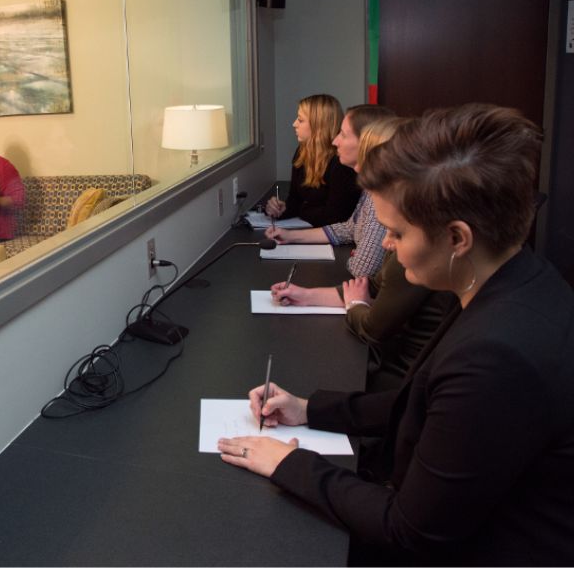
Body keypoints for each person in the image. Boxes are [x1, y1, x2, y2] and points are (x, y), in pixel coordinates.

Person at [218, 104, 574, 565]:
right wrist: (308, 408)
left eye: (397, 232)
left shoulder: (496, 356)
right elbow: (423, 402)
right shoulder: (512, 279)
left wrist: (288, 464)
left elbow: (410, 530)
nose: (385, 244)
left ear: (456, 238)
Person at [271, 118, 460, 390]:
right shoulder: (404, 225)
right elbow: (369, 284)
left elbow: (370, 308)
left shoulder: (414, 252)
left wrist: (356, 305)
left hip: (398, 376)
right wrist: (306, 295)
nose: (386, 242)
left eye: (396, 233)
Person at [266, 104, 394, 277]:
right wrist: (290, 236)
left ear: (366, 143)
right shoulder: (370, 188)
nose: (335, 141)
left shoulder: (380, 195)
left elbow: (362, 270)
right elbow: (349, 229)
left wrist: (355, 258)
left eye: (343, 134)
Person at [265, 94, 360, 227]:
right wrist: (280, 208)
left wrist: (302, 209)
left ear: (319, 125)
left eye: (300, 120)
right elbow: (295, 200)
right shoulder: (301, 153)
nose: (294, 124)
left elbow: (335, 217)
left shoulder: (341, 162)